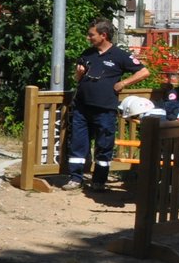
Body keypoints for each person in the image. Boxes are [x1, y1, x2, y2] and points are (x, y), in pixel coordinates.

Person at [63, 19, 149, 191]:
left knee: (104, 145)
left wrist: (123, 83)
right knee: (78, 144)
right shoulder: (87, 53)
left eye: (91, 35)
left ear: (103, 35)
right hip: (82, 107)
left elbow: (144, 71)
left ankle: (99, 181)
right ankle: (75, 178)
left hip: (105, 110)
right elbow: (78, 79)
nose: (88, 38)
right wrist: (78, 74)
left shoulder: (120, 55)